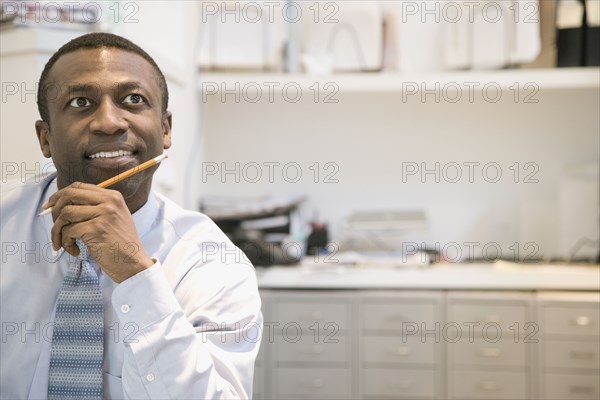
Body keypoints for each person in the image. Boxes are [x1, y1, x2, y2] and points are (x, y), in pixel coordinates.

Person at [0, 32, 262, 399]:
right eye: (80, 102)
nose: (109, 122)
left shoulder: (214, 265)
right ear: (45, 138)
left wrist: (136, 274)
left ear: (165, 130)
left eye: (134, 100)